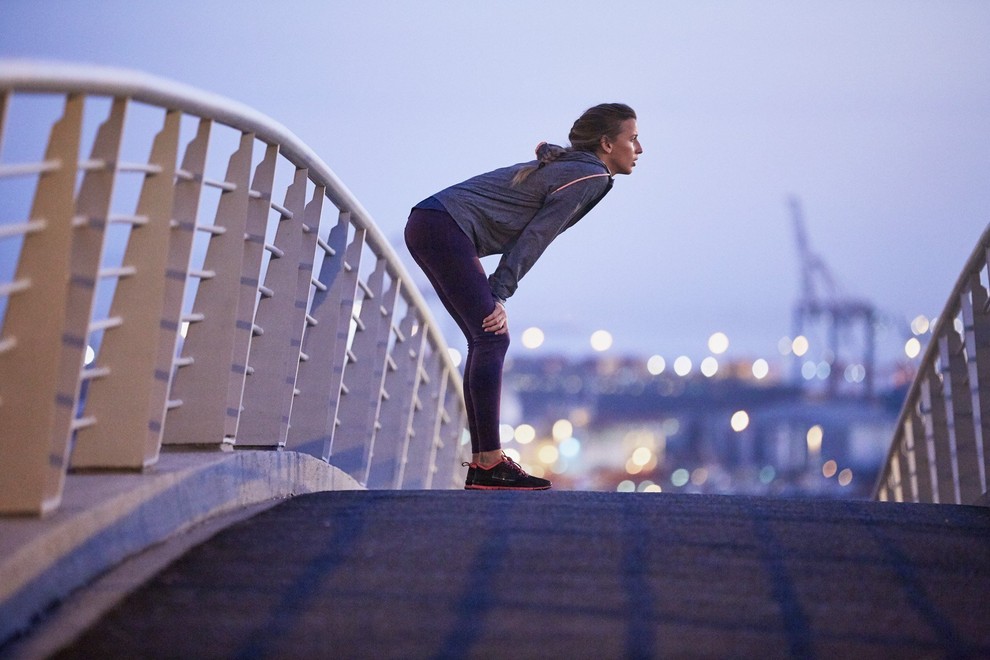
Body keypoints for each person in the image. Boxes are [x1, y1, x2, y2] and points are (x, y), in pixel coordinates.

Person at [405, 103, 642, 490]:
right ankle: (488, 464)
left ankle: (485, 465)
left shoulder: (576, 168)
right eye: (632, 139)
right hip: (444, 226)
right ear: (606, 143)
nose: (640, 148)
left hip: (432, 222)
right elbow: (536, 237)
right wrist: (500, 294)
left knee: (484, 339)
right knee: (492, 336)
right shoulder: (591, 175)